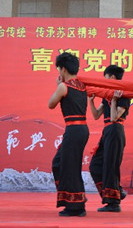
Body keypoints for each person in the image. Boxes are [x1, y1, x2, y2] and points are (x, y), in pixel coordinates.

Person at [48, 52, 89, 217]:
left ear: (63, 69)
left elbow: (51, 104)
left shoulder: (64, 86)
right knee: (59, 163)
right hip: (80, 130)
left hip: (74, 130)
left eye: (59, 68)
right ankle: (70, 200)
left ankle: (76, 206)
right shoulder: (82, 86)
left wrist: (58, 85)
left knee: (69, 166)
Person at [89, 65, 131, 212]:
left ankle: (113, 203)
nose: (104, 80)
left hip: (115, 129)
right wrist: (91, 100)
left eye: (105, 77)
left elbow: (114, 118)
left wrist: (113, 101)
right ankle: (116, 192)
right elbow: (95, 115)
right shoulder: (107, 94)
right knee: (95, 165)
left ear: (112, 77)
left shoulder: (124, 95)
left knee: (110, 166)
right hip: (107, 131)